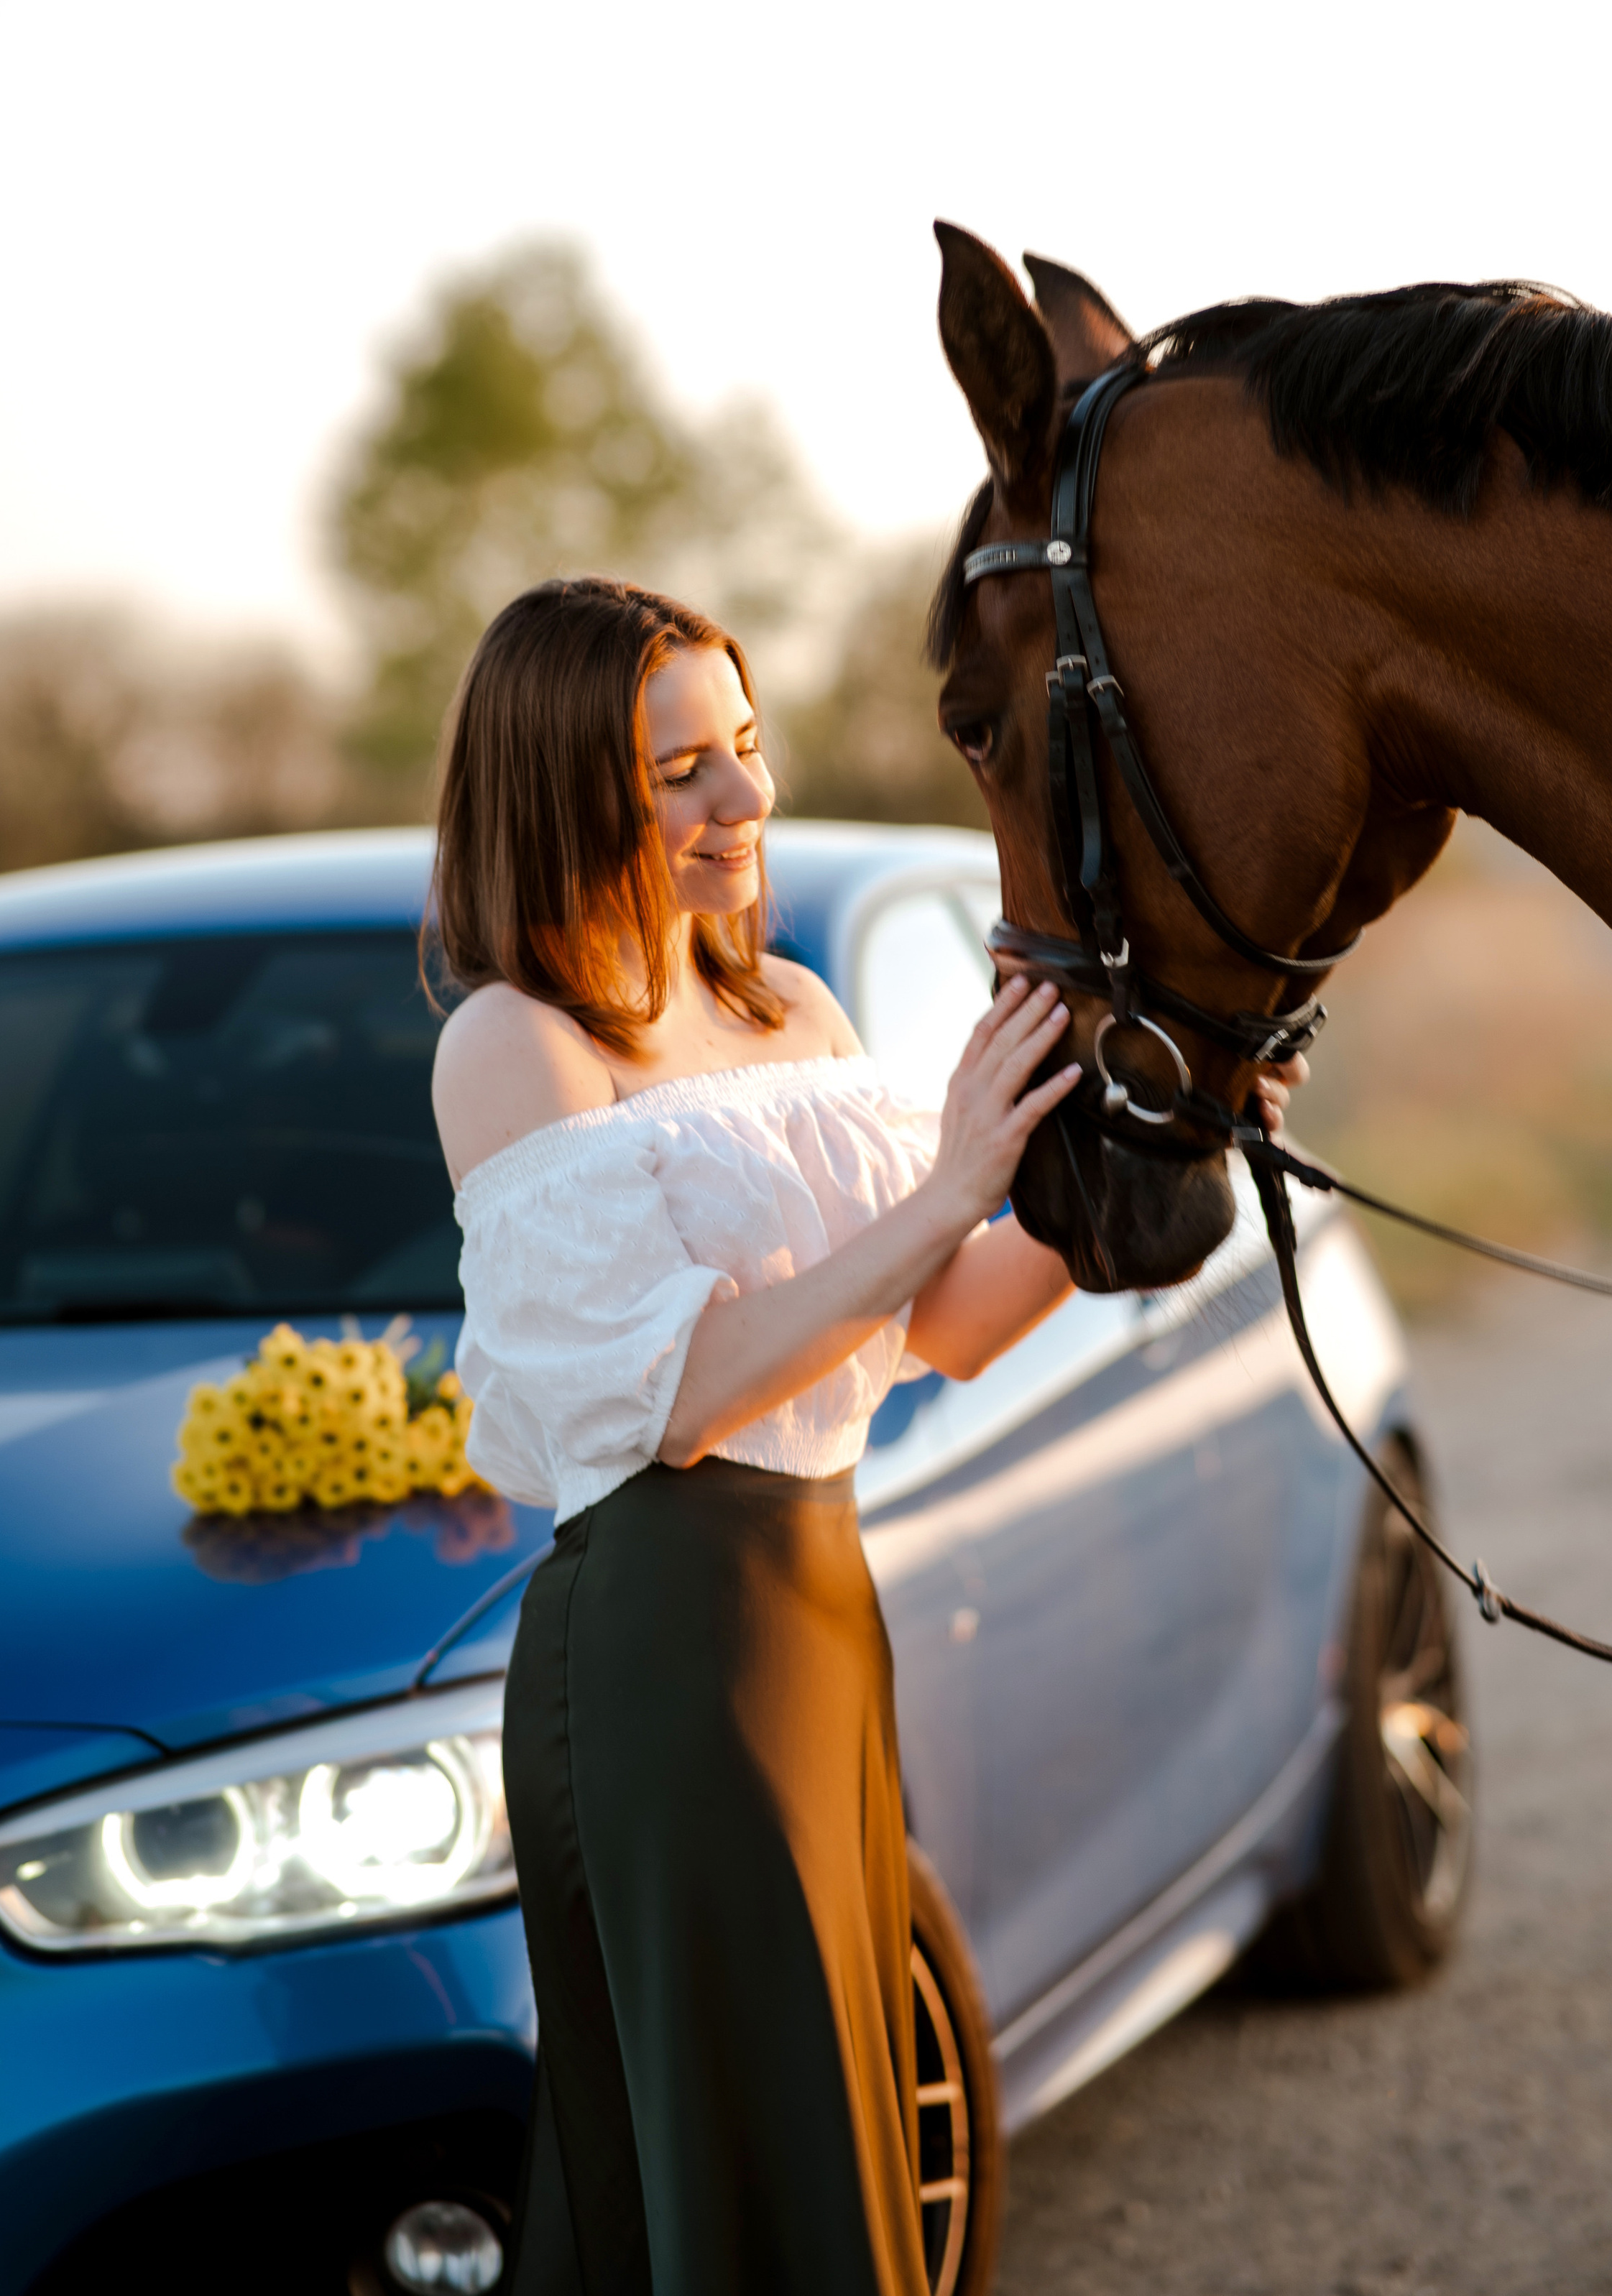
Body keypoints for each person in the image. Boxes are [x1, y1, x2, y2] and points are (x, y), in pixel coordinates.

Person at [428, 574, 1304, 2296]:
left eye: (741, 752)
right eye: (679, 772)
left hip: (823, 1619)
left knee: (830, 2124)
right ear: (558, 787)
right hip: (661, 1647)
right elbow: (676, 1396)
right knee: (716, 2148)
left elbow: (950, 1322)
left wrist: (1152, 1146)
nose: (741, 802)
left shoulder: (795, 1017)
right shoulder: (512, 1045)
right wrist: (947, 1190)